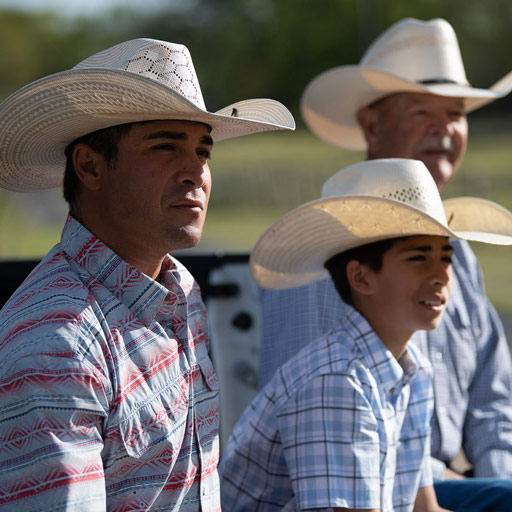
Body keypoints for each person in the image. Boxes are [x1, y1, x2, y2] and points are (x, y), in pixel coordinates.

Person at [0, 38, 294, 511]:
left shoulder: (179, 290)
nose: (195, 171)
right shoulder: (55, 346)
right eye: (165, 147)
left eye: (203, 151)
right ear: (90, 167)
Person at [259, 17, 512, 511]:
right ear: (372, 125)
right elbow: (321, 434)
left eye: (456, 113)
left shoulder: (462, 260)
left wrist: (500, 483)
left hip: (427, 486)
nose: (444, 128)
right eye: (423, 111)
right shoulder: (330, 261)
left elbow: (493, 403)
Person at [220, 158, 512, 512]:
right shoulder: (337, 381)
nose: (441, 276)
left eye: (445, 258)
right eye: (419, 258)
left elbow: (425, 508)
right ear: (361, 278)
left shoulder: (411, 371)